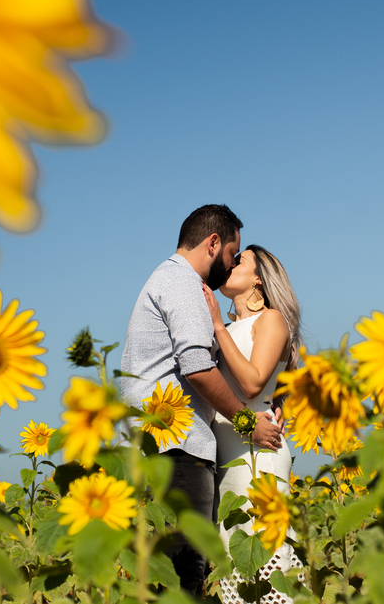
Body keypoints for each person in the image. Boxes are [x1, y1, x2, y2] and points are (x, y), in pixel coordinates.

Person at [119, 205, 284, 596]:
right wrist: (248, 422)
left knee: (171, 576)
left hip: (163, 446)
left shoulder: (170, 280)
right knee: (182, 579)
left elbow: (265, 364)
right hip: (176, 448)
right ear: (213, 244)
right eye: (231, 254)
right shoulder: (183, 283)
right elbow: (196, 367)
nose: (229, 266)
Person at [203, 245, 304, 604]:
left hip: (258, 457)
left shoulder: (271, 320)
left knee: (268, 573)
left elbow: (251, 384)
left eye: (238, 260)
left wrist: (216, 325)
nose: (228, 264)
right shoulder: (229, 328)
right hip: (225, 458)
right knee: (235, 574)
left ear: (258, 278)